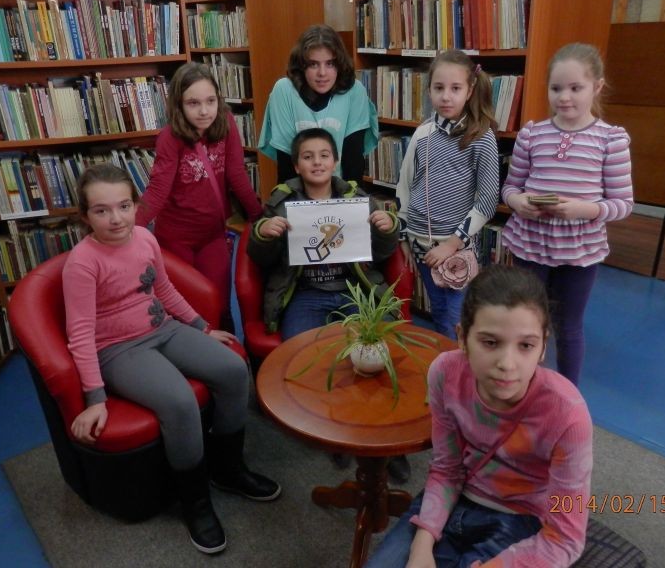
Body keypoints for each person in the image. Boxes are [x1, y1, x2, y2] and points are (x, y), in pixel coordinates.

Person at [63, 163, 279, 556]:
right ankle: (195, 502)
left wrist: (201, 327)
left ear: (136, 205)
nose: (116, 218)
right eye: (101, 210)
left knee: (233, 368)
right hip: (119, 349)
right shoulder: (82, 262)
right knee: (179, 402)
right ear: (85, 216)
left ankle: (228, 470)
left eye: (124, 206)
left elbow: (163, 288)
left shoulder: (145, 237)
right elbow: (79, 333)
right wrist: (95, 398)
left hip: (163, 329)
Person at [365, 265, 593, 567]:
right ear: (462, 338)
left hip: (520, 517)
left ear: (542, 348)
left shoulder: (568, 415)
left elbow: (565, 538)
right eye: (490, 342)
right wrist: (422, 545)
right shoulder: (445, 373)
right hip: (455, 496)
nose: (507, 364)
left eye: (526, 345)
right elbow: (446, 468)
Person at [247, 128, 411, 482]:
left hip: (355, 291)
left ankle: (387, 443)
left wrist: (387, 228)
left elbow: (383, 254)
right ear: (296, 165)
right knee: (307, 355)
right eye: (308, 157)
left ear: (335, 162)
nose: (317, 162)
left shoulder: (357, 198)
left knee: (372, 354)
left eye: (324, 155)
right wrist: (264, 233)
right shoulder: (281, 201)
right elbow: (259, 258)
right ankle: (336, 428)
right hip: (305, 293)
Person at [501, 42, 633, 385]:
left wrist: (584, 209)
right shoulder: (532, 134)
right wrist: (518, 202)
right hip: (531, 242)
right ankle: (527, 385)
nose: (564, 97)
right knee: (528, 320)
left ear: (597, 87)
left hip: (580, 250)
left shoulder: (611, 140)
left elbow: (623, 203)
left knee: (569, 325)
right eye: (556, 88)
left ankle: (567, 395)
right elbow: (511, 187)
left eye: (576, 88)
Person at [135, 62, 263, 328]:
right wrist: (129, 231)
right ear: (179, 105)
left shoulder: (226, 123)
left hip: (213, 235)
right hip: (175, 239)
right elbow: (157, 191)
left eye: (210, 101)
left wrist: (259, 217)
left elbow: (237, 175)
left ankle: (229, 351)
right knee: (186, 306)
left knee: (220, 303)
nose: (204, 111)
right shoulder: (170, 138)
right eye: (193, 103)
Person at [397, 49, 500, 341]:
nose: (446, 97)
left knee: (455, 320)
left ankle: (455, 367)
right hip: (419, 243)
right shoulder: (422, 133)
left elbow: (487, 201)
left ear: (470, 91)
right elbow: (404, 185)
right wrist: (403, 237)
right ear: (429, 89)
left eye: (455, 88)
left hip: (455, 248)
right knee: (439, 311)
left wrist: (451, 245)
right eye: (438, 88)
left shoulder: (481, 137)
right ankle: (446, 366)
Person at [258, 24, 379, 184]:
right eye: (313, 64)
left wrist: (348, 199)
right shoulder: (284, 90)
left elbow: (353, 164)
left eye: (330, 64)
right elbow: (287, 163)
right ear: (302, 66)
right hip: (297, 191)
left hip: (340, 190)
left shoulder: (355, 91)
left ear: (339, 64)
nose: (322, 73)